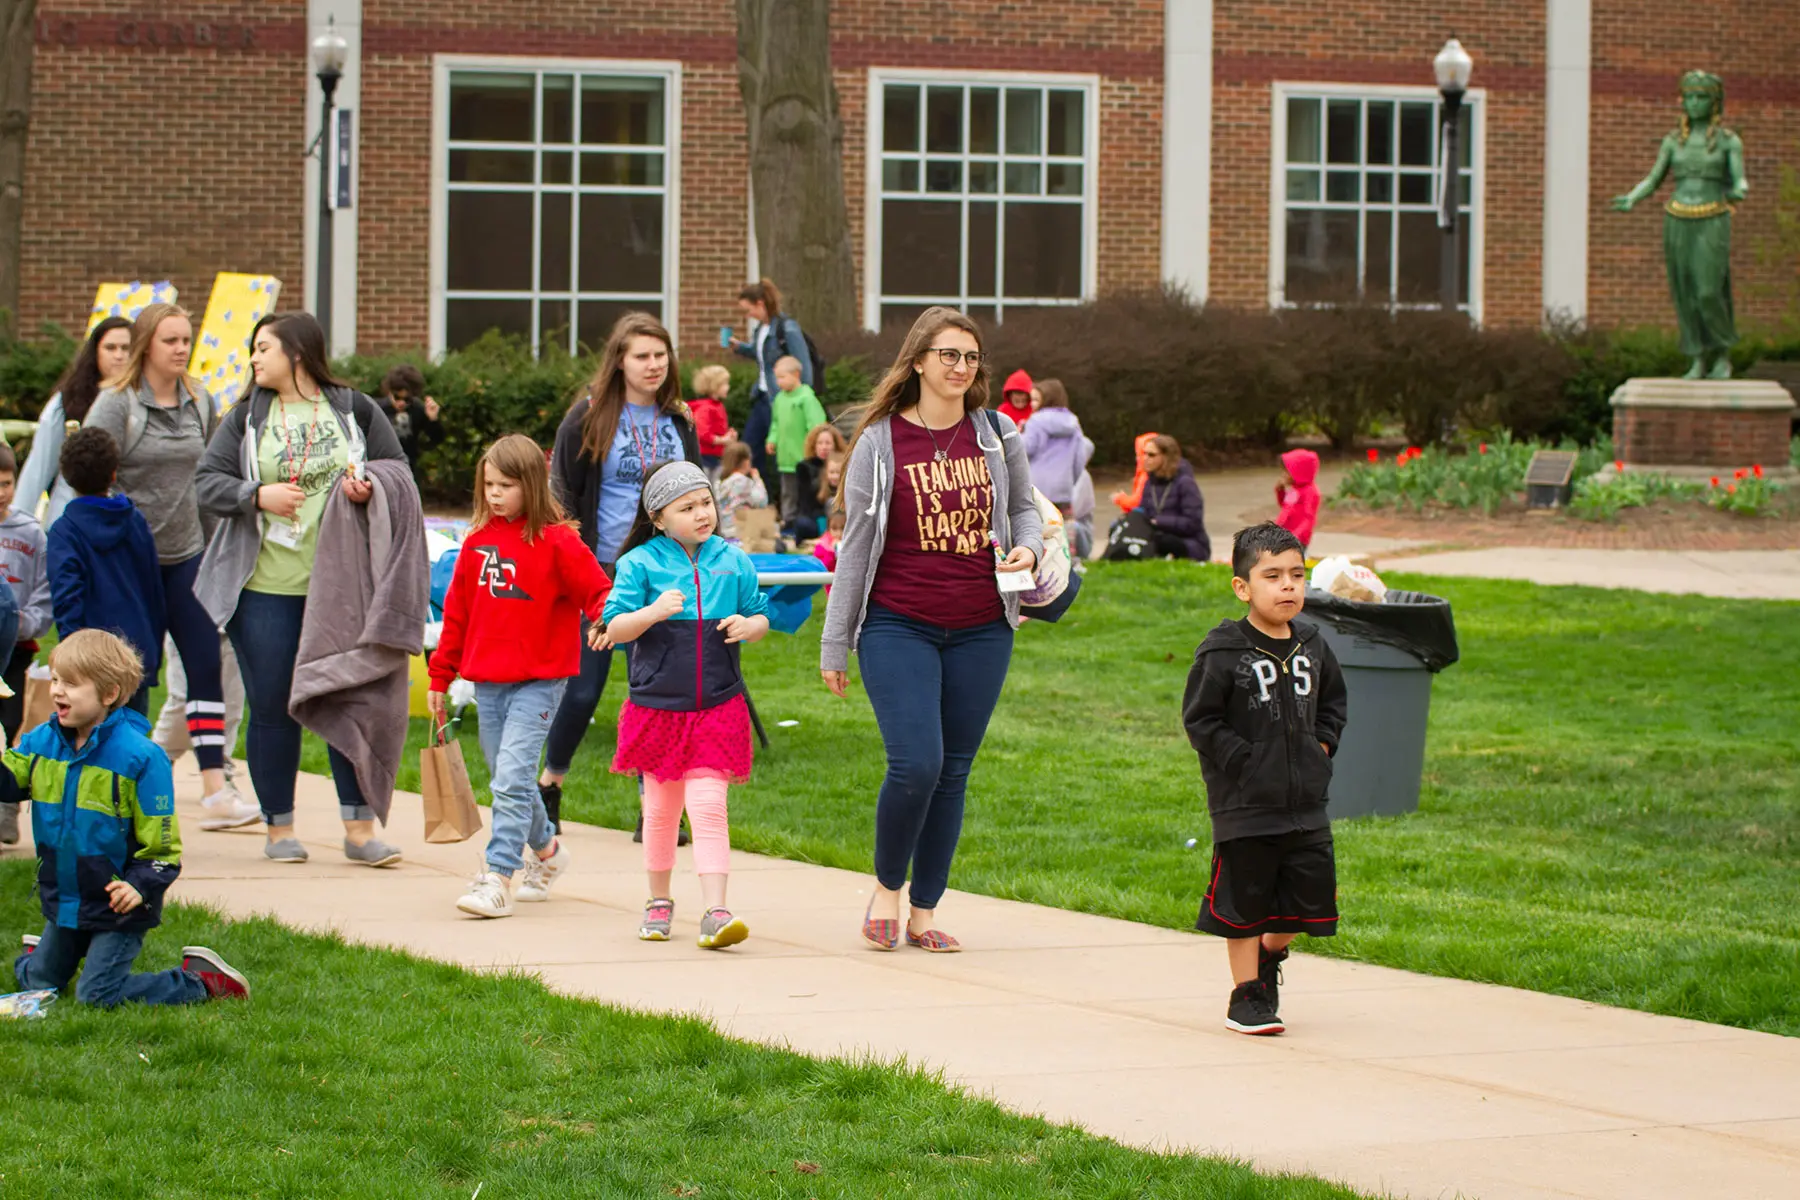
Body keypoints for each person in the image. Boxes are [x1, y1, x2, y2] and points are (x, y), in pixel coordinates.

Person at [819, 306, 1043, 953]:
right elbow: (856, 548)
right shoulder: (882, 443)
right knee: (917, 764)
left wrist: (1025, 548)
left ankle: (924, 911)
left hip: (982, 629)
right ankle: (888, 886)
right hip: (898, 625)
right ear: (918, 360)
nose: (961, 368)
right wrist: (837, 642)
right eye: (949, 355)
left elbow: (1025, 510)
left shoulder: (996, 433)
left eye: (971, 358)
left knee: (953, 772)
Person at [194, 311, 408, 867]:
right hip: (265, 588)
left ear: (296, 351)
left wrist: (370, 487)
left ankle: (359, 832)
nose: (253, 359)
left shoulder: (354, 409)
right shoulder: (246, 416)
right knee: (271, 707)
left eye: (263, 347)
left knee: (346, 696)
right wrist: (256, 495)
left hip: (341, 590)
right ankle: (278, 829)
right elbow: (206, 483)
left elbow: (399, 471)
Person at [5, 629, 249, 1007]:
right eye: (55, 679)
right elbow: (8, 785)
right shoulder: (41, 742)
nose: (57, 691)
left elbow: (164, 848)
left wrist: (139, 886)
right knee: (39, 985)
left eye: (71, 684)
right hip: (66, 897)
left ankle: (202, 980)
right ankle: (43, 957)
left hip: (121, 906)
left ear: (109, 694)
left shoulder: (141, 757)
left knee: (96, 996)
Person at [86, 302, 257, 831]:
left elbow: (210, 475)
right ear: (146, 346)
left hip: (187, 554)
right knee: (129, 675)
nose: (181, 349)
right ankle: (117, 786)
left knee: (205, 660)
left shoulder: (200, 401)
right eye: (170, 341)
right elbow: (86, 471)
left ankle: (214, 788)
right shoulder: (117, 404)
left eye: (186, 340)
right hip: (129, 560)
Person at [430, 435, 613, 919]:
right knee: (510, 780)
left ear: (531, 485)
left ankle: (497, 877)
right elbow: (457, 616)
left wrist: (605, 620)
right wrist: (438, 676)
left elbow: (598, 591)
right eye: (488, 484)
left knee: (511, 779)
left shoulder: (559, 542)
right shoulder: (475, 543)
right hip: (487, 682)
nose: (494, 494)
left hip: (541, 680)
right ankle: (550, 854)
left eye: (506, 485)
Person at [1183, 523, 1347, 1036]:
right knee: (1246, 901)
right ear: (1242, 587)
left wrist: (1321, 748)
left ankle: (1269, 959)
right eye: (1272, 576)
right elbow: (1201, 719)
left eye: (1297, 575)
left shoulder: (1313, 644)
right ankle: (1246, 995)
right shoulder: (1223, 651)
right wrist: (1244, 762)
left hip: (1305, 801)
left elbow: (1334, 704)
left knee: (1306, 904)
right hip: (1245, 805)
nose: (1287, 586)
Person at [541, 312, 701, 831]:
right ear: (620, 361)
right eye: (642, 356)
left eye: (661, 355)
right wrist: (570, 568)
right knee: (584, 691)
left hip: (666, 574)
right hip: (602, 574)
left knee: (655, 691)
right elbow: (562, 499)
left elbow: (699, 495)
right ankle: (550, 786)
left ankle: (656, 811)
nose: (654, 365)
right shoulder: (587, 419)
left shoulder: (679, 422)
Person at [602, 462, 771, 949]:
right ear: (657, 518)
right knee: (660, 810)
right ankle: (659, 901)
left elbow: (760, 613)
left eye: (706, 503)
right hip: (657, 707)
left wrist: (749, 626)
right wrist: (651, 613)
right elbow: (614, 628)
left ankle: (716, 912)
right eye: (688, 507)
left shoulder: (732, 561)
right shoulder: (639, 564)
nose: (703, 514)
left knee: (708, 805)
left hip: (718, 705)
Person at [1611, 71, 1749, 380]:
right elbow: (1654, 178)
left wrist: (1740, 188)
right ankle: (1697, 357)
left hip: (1713, 216)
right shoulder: (1673, 142)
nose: (1694, 103)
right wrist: (1633, 198)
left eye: (1701, 98)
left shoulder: (1728, 142)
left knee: (1708, 292)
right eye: (1689, 97)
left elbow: (1739, 176)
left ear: (1714, 103)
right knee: (1684, 292)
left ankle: (1723, 352)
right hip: (1677, 217)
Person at [46, 428, 166, 714]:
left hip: (90, 666)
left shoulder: (64, 532)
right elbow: (153, 590)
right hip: (135, 657)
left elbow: (66, 598)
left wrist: (70, 666)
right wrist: (152, 654)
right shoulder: (135, 520)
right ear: (114, 473)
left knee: (91, 750)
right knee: (129, 748)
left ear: (65, 476)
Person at [16, 316, 133, 533]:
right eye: (110, 348)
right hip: (70, 522)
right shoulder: (68, 401)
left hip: (126, 523)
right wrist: (14, 532)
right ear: (96, 352)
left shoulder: (146, 401)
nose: (119, 355)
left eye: (126, 348)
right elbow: (39, 468)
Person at [729, 278, 813, 499]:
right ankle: (760, 499)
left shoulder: (787, 329)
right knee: (750, 448)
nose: (747, 315)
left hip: (780, 400)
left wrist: (799, 397)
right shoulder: (761, 330)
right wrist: (741, 348)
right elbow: (763, 357)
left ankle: (781, 505)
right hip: (761, 397)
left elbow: (803, 368)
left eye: (748, 310)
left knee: (781, 456)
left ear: (759, 304)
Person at [0, 440, 53, 753]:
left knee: (12, 718)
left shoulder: (31, 532)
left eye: (7, 484)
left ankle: (6, 796)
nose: (1, 493)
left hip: (18, 648)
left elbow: (44, 588)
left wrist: (23, 623)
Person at [766, 357, 828, 539]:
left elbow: (817, 427)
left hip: (804, 461)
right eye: (777, 378)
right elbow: (775, 423)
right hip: (786, 458)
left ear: (796, 375)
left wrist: (816, 451)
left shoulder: (807, 399)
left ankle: (804, 524)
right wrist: (772, 439)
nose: (778, 382)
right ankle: (788, 523)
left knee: (805, 494)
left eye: (782, 377)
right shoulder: (779, 399)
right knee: (788, 493)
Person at [1135, 435, 1211, 562]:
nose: (1145, 459)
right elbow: (1144, 513)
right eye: (1144, 454)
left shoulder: (1186, 484)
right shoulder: (1149, 483)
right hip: (1158, 537)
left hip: (1190, 543)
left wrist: (1159, 522)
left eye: (1151, 455)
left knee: (1164, 542)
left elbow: (1193, 523)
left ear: (1165, 457)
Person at [1020, 379, 1086, 515]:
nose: (1031, 404)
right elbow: (1080, 457)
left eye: (1036, 400)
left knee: (1038, 531)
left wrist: (1018, 434)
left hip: (1036, 487)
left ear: (1047, 400)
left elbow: (1026, 449)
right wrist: (1071, 479)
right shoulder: (1073, 422)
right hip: (1063, 488)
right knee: (1062, 530)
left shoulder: (1035, 421)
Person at [376, 364, 444, 472]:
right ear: (389, 392)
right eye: (397, 397)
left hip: (408, 468)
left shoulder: (417, 409)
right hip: (380, 467)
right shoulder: (377, 408)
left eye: (407, 399)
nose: (401, 403)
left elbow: (436, 439)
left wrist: (433, 419)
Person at [790, 423, 842, 541]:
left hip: (839, 516)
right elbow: (804, 503)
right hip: (815, 516)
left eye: (828, 443)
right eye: (820, 443)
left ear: (835, 445)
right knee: (802, 523)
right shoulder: (804, 467)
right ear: (814, 445)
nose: (824, 447)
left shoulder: (843, 463)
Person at [714, 441, 768, 543]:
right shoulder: (744, 482)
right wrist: (757, 480)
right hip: (741, 533)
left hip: (723, 532)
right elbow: (762, 501)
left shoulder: (719, 483)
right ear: (746, 461)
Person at [688, 365, 736, 478]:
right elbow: (701, 433)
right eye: (725, 384)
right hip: (704, 457)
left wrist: (728, 436)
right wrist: (722, 440)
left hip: (715, 456)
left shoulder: (717, 406)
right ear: (715, 386)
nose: (728, 387)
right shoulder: (705, 408)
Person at [1275, 448, 1322, 550]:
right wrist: (1280, 491)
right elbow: (1285, 506)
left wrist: (1296, 536)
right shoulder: (1295, 488)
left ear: (1299, 473)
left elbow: (1308, 518)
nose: (1283, 475)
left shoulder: (1310, 492)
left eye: (1287, 472)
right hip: (1284, 534)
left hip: (1297, 538)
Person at [1110, 431, 1162, 516]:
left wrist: (1119, 498)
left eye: (1139, 454)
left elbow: (1136, 503)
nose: (1137, 458)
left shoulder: (1146, 476)